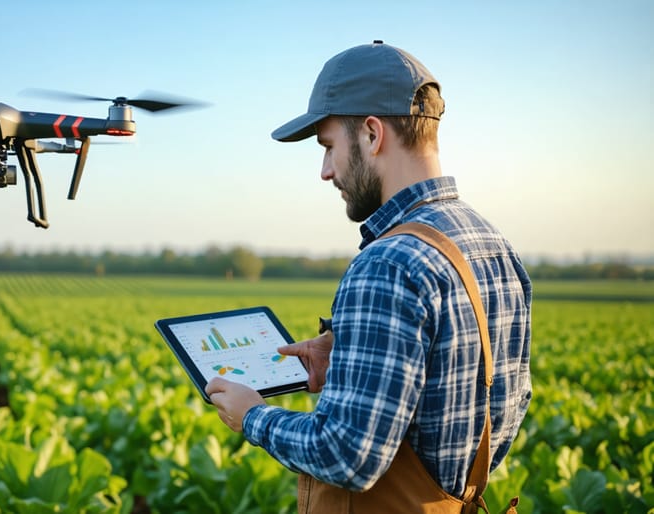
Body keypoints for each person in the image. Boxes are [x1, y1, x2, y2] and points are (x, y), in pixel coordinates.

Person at [205, 41, 532, 512]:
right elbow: (504, 401)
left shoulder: (387, 262)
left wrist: (253, 415)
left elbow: (347, 457)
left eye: (329, 147)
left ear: (372, 135)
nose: (325, 171)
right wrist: (347, 358)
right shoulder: (494, 245)